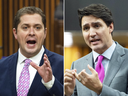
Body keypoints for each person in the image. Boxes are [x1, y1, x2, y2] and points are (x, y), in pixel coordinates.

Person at [64, 4, 128, 96]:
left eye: (97, 26)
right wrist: (68, 94)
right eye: (86, 28)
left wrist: (100, 89)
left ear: (110, 27)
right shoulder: (77, 65)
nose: (91, 33)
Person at [0, 6, 63, 96]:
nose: (32, 32)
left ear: (45, 33)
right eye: (25, 27)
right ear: (15, 33)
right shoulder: (1, 67)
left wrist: (50, 83)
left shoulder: (62, 65)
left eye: (37, 28)